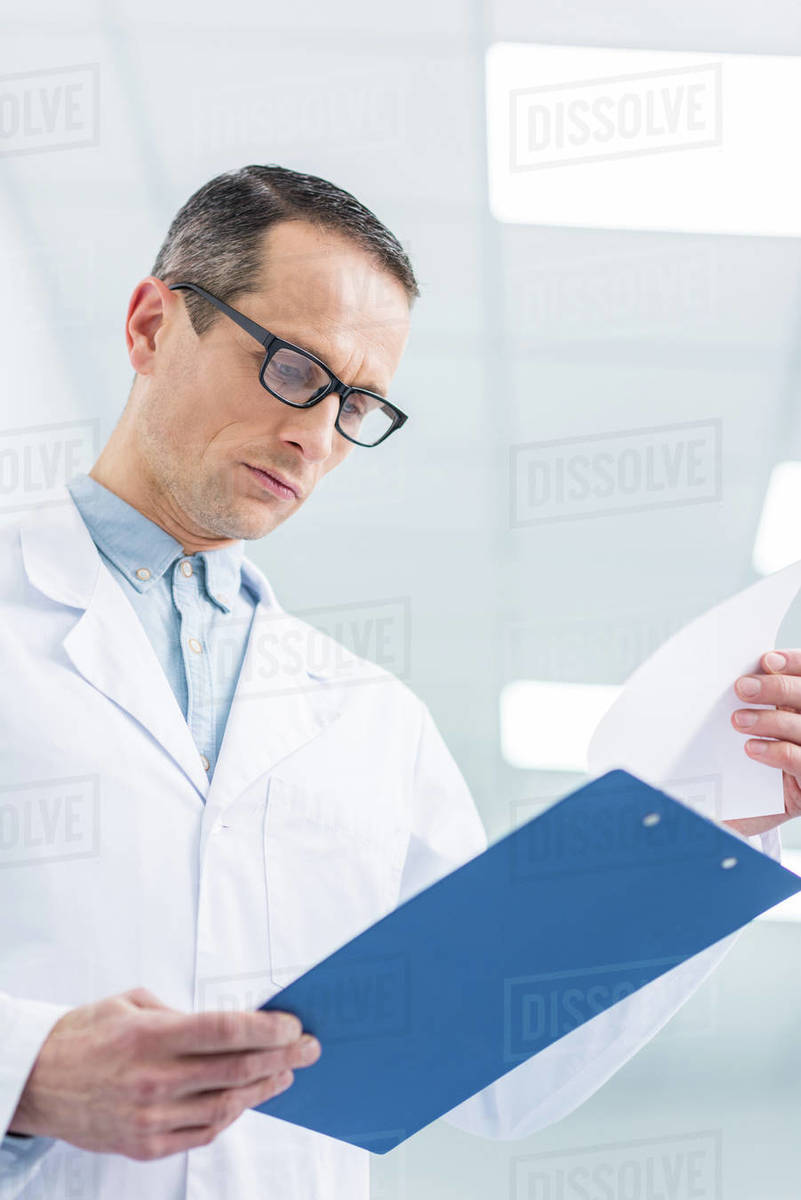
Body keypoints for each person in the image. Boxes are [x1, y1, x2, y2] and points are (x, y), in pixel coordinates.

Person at [0, 164, 795, 1200]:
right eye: (292, 369)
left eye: (358, 401)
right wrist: (28, 1073)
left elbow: (495, 1067)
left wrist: (718, 833)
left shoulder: (372, 722)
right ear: (153, 325)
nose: (318, 436)